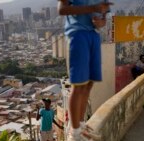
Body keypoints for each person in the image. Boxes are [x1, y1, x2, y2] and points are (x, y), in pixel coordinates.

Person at [57, 0, 113, 140]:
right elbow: (62, 9)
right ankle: (74, 133)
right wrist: (91, 8)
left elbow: (103, 16)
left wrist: (101, 20)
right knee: (79, 84)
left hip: (93, 34)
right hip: (78, 34)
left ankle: (81, 125)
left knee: (89, 83)